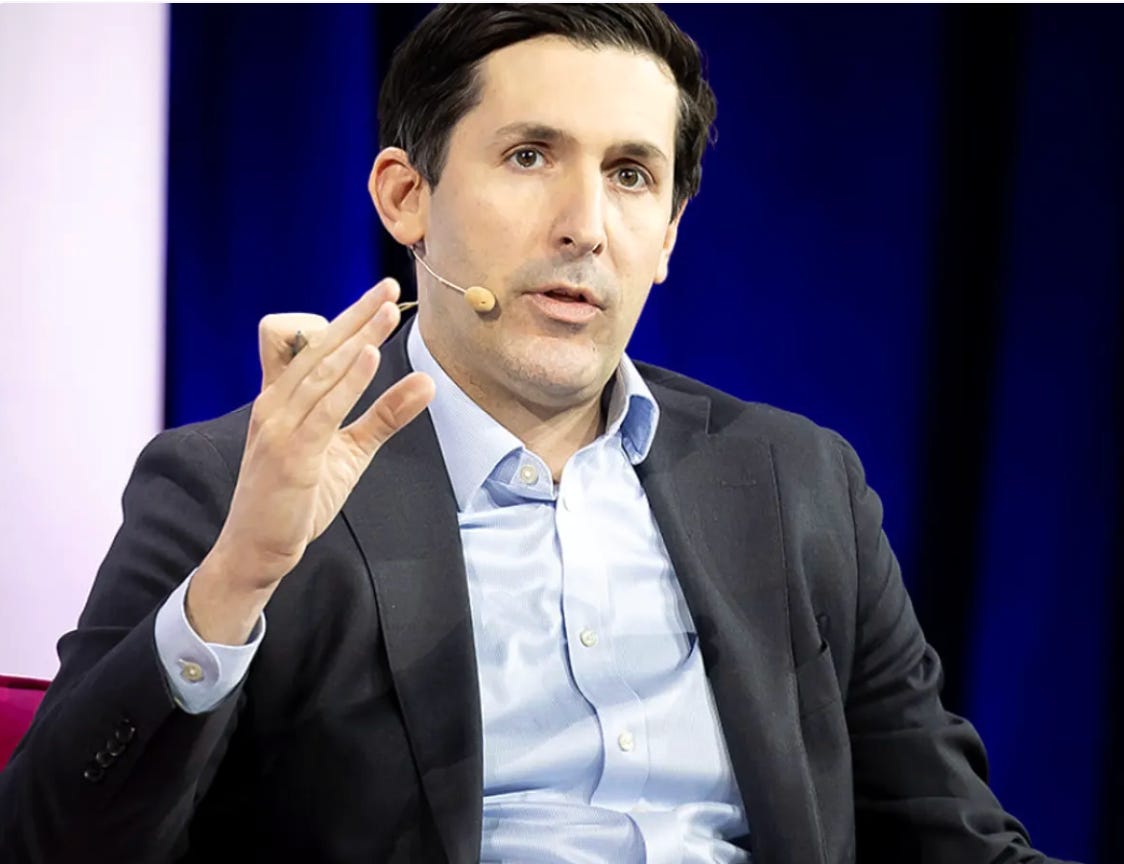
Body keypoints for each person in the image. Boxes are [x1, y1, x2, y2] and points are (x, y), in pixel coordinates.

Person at [0, 5, 1076, 863]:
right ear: (405, 197)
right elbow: (50, 841)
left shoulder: (798, 481)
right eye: (528, 156)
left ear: (669, 236)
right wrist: (238, 578)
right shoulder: (234, 481)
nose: (584, 226)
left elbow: (952, 836)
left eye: (629, 175)